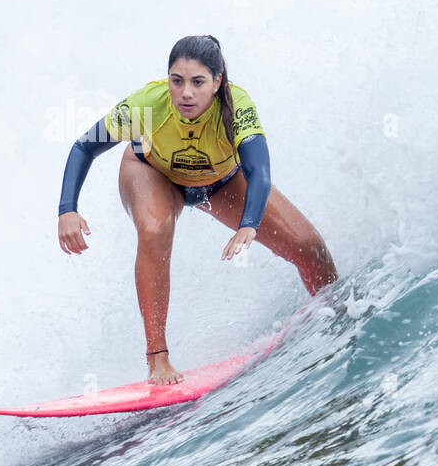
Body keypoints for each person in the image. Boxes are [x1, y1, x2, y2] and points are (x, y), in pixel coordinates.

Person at [56, 34, 338, 385]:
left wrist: (249, 224)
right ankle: (158, 360)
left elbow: (259, 171)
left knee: (307, 246)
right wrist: (67, 209)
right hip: (153, 173)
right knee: (155, 229)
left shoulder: (236, 107)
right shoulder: (147, 105)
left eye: (198, 82)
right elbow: (84, 147)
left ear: (217, 82)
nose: (185, 93)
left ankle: (335, 311)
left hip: (221, 183)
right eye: (177, 81)